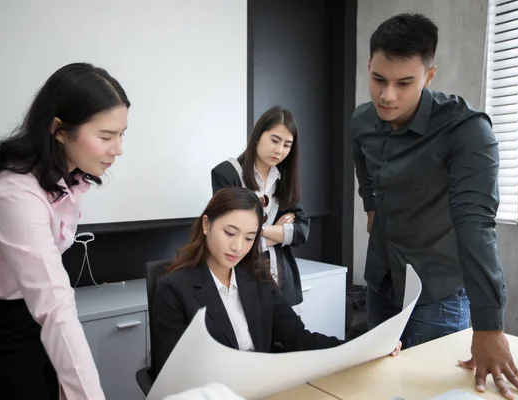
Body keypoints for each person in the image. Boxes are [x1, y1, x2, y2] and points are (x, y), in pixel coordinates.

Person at [351, 13, 518, 399]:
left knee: (433, 393)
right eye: (379, 79)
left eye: (404, 83)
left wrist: (489, 326)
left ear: (429, 76)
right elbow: (362, 163)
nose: (387, 96)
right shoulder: (363, 119)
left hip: (439, 292)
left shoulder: (467, 131)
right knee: (381, 387)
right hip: (382, 277)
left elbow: (476, 226)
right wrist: (371, 206)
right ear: (369, 66)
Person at [0, 62, 130, 400]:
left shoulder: (68, 179)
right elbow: (54, 303)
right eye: (106, 136)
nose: (118, 149)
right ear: (59, 130)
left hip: (36, 320)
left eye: (122, 135)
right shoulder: (14, 192)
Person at [151, 186, 401, 378]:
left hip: (263, 388)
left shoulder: (257, 278)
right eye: (229, 233)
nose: (238, 247)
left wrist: (367, 347)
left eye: (250, 238)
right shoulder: (174, 288)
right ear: (206, 225)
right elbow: (171, 374)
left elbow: (299, 338)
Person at [211, 106, 308, 308]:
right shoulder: (227, 174)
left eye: (287, 145)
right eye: (274, 140)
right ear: (257, 136)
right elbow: (228, 236)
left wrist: (258, 233)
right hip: (240, 278)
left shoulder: (284, 179)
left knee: (287, 337)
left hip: (281, 281)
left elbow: (301, 232)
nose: (279, 150)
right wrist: (277, 234)